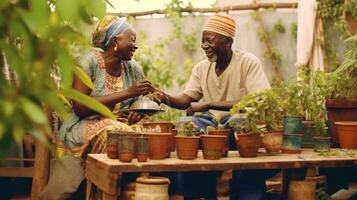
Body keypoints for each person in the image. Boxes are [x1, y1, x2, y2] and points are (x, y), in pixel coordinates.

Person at [155, 14, 275, 200]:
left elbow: (258, 101)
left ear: (228, 41)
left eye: (210, 41)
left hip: (241, 120)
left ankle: (247, 193)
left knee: (239, 123)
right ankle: (197, 193)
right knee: (186, 123)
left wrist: (209, 104)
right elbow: (186, 100)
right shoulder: (201, 68)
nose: (204, 46)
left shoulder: (248, 62)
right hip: (211, 122)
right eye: (203, 41)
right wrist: (162, 96)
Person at [39, 15, 155, 200]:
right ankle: (103, 194)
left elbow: (142, 99)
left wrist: (138, 111)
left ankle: (130, 189)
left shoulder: (133, 67)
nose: (135, 45)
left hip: (119, 123)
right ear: (115, 40)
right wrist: (128, 93)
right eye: (132, 40)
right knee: (117, 132)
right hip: (83, 123)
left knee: (146, 134)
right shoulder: (88, 62)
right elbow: (80, 107)